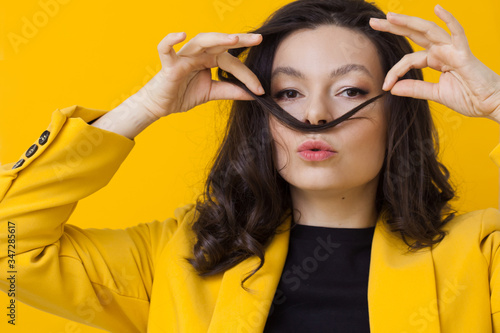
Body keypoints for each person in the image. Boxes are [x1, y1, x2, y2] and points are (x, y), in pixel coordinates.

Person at [1, 0, 499, 332]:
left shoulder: (477, 259)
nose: (316, 115)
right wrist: (146, 106)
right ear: (262, 117)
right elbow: (10, 254)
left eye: (350, 90)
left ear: (397, 113)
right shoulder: (178, 260)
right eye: (288, 92)